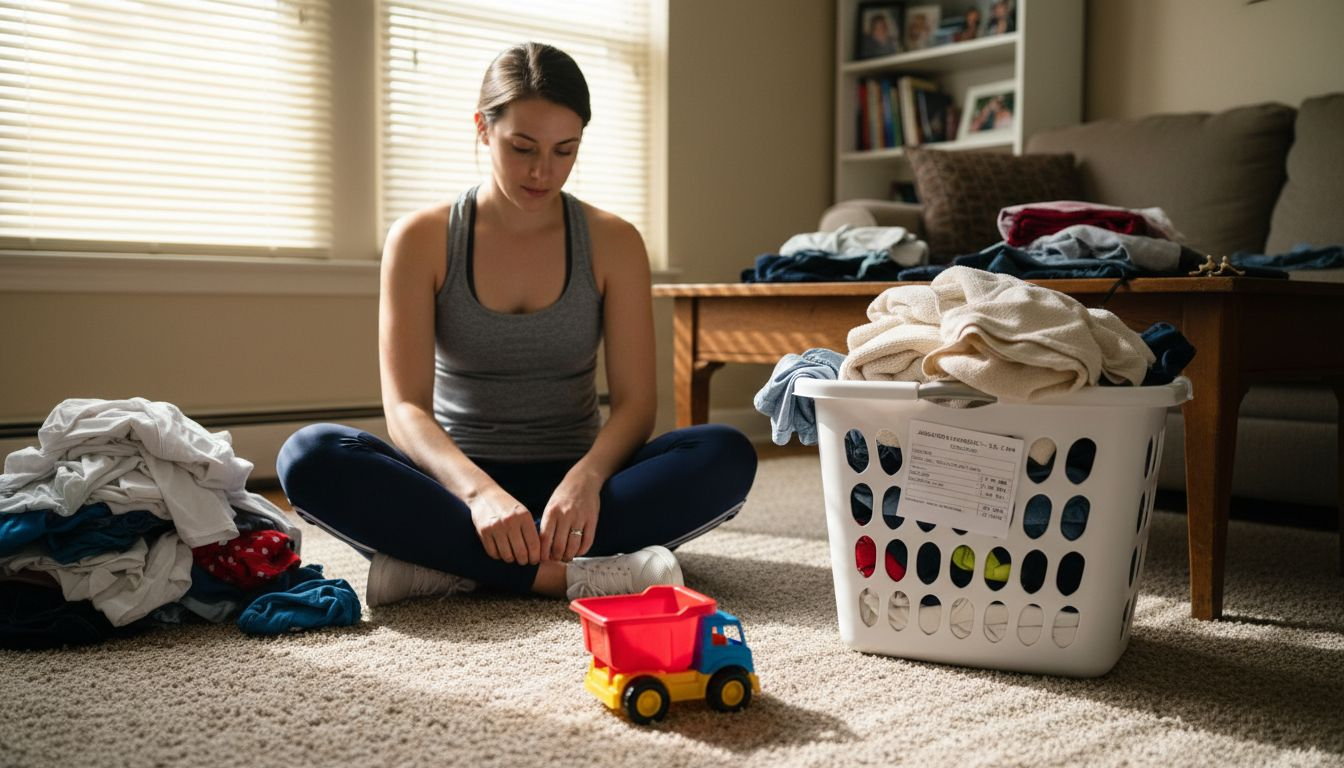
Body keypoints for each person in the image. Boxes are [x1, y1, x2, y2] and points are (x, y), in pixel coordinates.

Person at [277, 43, 757, 607]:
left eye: (564, 150)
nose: (542, 171)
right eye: (522, 147)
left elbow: (634, 406)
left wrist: (587, 481)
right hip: (457, 490)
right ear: (483, 128)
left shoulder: (614, 242)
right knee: (309, 455)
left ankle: (447, 568)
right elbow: (406, 409)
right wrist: (479, 494)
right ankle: (566, 576)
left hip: (577, 497)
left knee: (726, 452)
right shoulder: (421, 239)